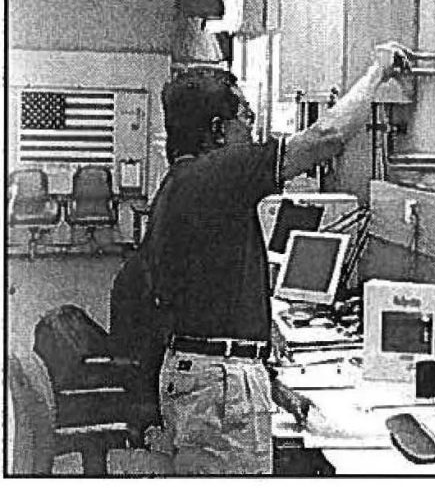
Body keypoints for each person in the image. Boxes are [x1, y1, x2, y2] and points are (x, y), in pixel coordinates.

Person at [145, 43, 411, 474]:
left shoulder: (183, 184)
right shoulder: (215, 174)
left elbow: (207, 304)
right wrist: (378, 71)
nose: (253, 125)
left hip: (207, 377)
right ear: (217, 130)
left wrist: (271, 384)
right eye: (245, 115)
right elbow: (327, 137)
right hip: (219, 386)